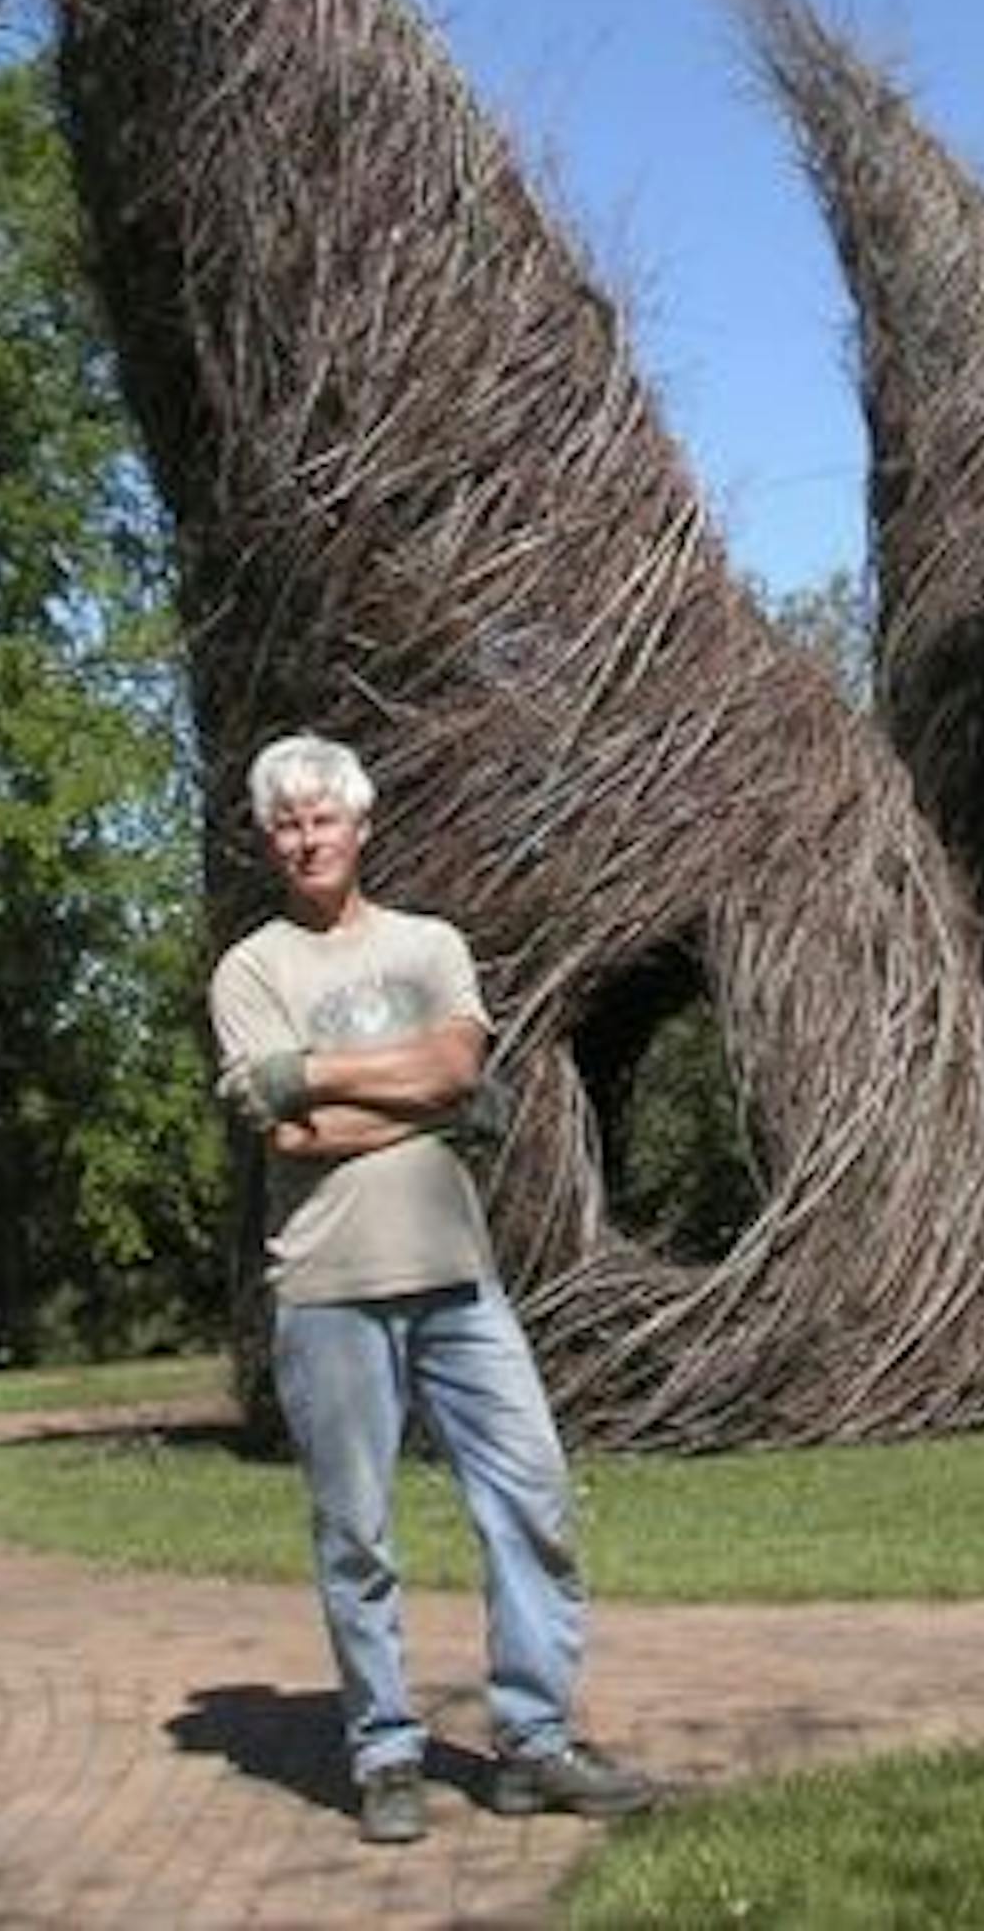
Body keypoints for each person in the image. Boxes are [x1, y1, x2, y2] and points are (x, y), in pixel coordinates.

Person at [210, 730, 655, 1848]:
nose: (310, 837)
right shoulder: (252, 970)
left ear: (362, 826)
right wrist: (423, 1098)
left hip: (459, 1279)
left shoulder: (430, 944)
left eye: (326, 817)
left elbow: (458, 1068)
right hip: (327, 1287)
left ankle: (534, 1743)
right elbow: (291, 1131)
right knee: (355, 1533)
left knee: (533, 1498)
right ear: (272, 841)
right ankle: (386, 1754)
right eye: (290, 823)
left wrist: (325, 1077)